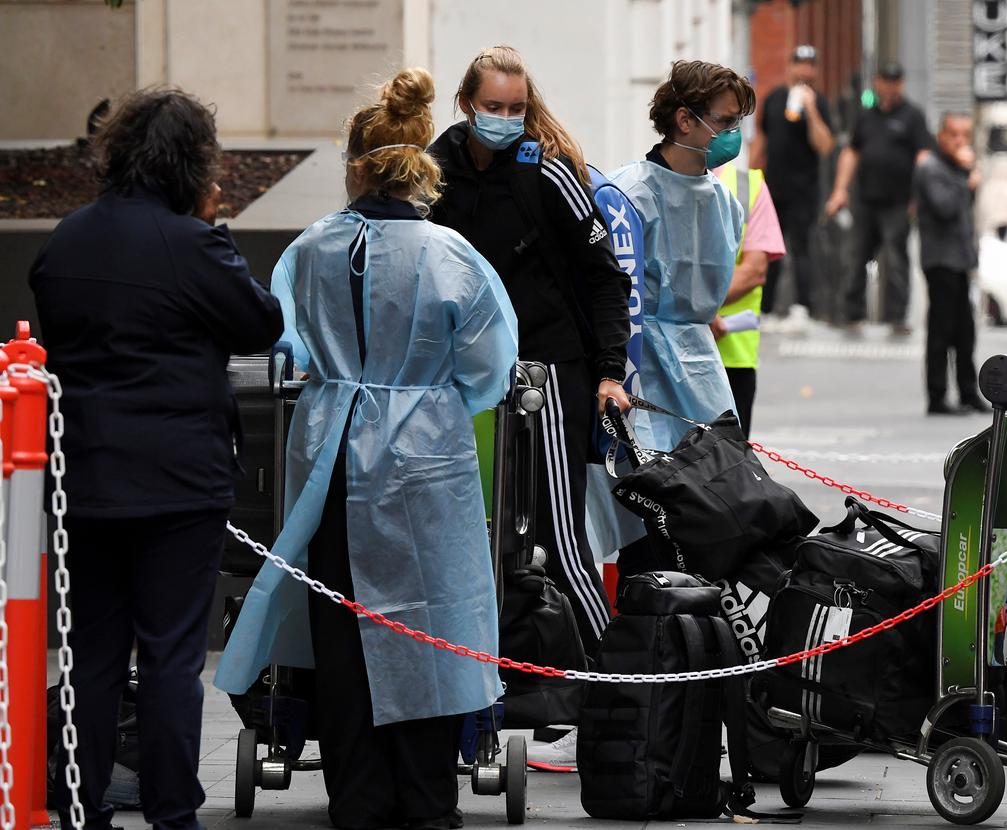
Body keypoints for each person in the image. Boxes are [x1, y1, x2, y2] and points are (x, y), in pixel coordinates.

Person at [216, 68, 520, 829]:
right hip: (427, 448)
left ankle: (357, 795)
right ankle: (425, 796)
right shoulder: (451, 253)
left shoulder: (311, 249)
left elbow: (282, 342)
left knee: (342, 625)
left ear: (353, 163)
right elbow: (489, 368)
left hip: (331, 444)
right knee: (431, 623)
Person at [30, 88, 284, 830]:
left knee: (91, 658)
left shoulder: (66, 240)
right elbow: (260, 322)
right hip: (179, 481)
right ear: (190, 162)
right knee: (172, 656)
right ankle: (174, 814)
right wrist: (216, 230)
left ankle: (82, 807)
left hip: (82, 477)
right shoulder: (192, 242)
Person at [428, 45, 631, 773]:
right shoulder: (436, 169)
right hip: (460, 375)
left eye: (516, 109)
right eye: (493, 107)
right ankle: (473, 692)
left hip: (547, 370)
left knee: (557, 532)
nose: (505, 120)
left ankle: (620, 689)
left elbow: (604, 278)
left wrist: (610, 372)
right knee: (468, 534)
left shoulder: (547, 171)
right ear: (466, 103)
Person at [610, 59, 756, 572]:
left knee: (715, 509)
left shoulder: (722, 199)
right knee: (650, 515)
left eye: (738, 122)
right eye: (724, 121)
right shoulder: (628, 193)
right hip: (640, 362)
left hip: (699, 362)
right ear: (684, 119)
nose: (732, 134)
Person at [826, 63, 932, 334]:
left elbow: (923, 158)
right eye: (885, 80)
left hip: (897, 201)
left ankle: (897, 317)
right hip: (864, 199)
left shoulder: (912, 117)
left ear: (902, 84)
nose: (890, 86)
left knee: (896, 259)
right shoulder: (866, 116)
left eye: (895, 81)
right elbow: (852, 153)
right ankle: (851, 314)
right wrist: (840, 190)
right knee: (855, 255)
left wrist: (919, 196)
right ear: (877, 82)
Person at [751, 44, 834, 327]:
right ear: (791, 65)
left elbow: (825, 145)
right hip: (774, 186)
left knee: (801, 248)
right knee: (769, 247)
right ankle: (767, 307)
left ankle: (802, 306)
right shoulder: (774, 98)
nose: (804, 70)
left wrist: (810, 109)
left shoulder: (819, 102)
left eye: (810, 65)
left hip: (804, 190)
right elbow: (761, 139)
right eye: (800, 63)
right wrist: (750, 177)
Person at [912, 112, 986, 415]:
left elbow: (964, 210)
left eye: (965, 135)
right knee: (941, 329)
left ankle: (968, 392)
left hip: (959, 260)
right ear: (941, 136)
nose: (960, 142)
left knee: (965, 331)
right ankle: (937, 395)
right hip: (941, 260)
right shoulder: (932, 167)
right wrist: (965, 180)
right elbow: (944, 208)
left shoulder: (955, 170)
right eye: (954, 135)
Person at [711, 160, 786, 438]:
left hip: (733, 356)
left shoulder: (748, 185)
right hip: (670, 356)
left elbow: (754, 270)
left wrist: (702, 309)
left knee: (729, 464)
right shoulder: (655, 182)